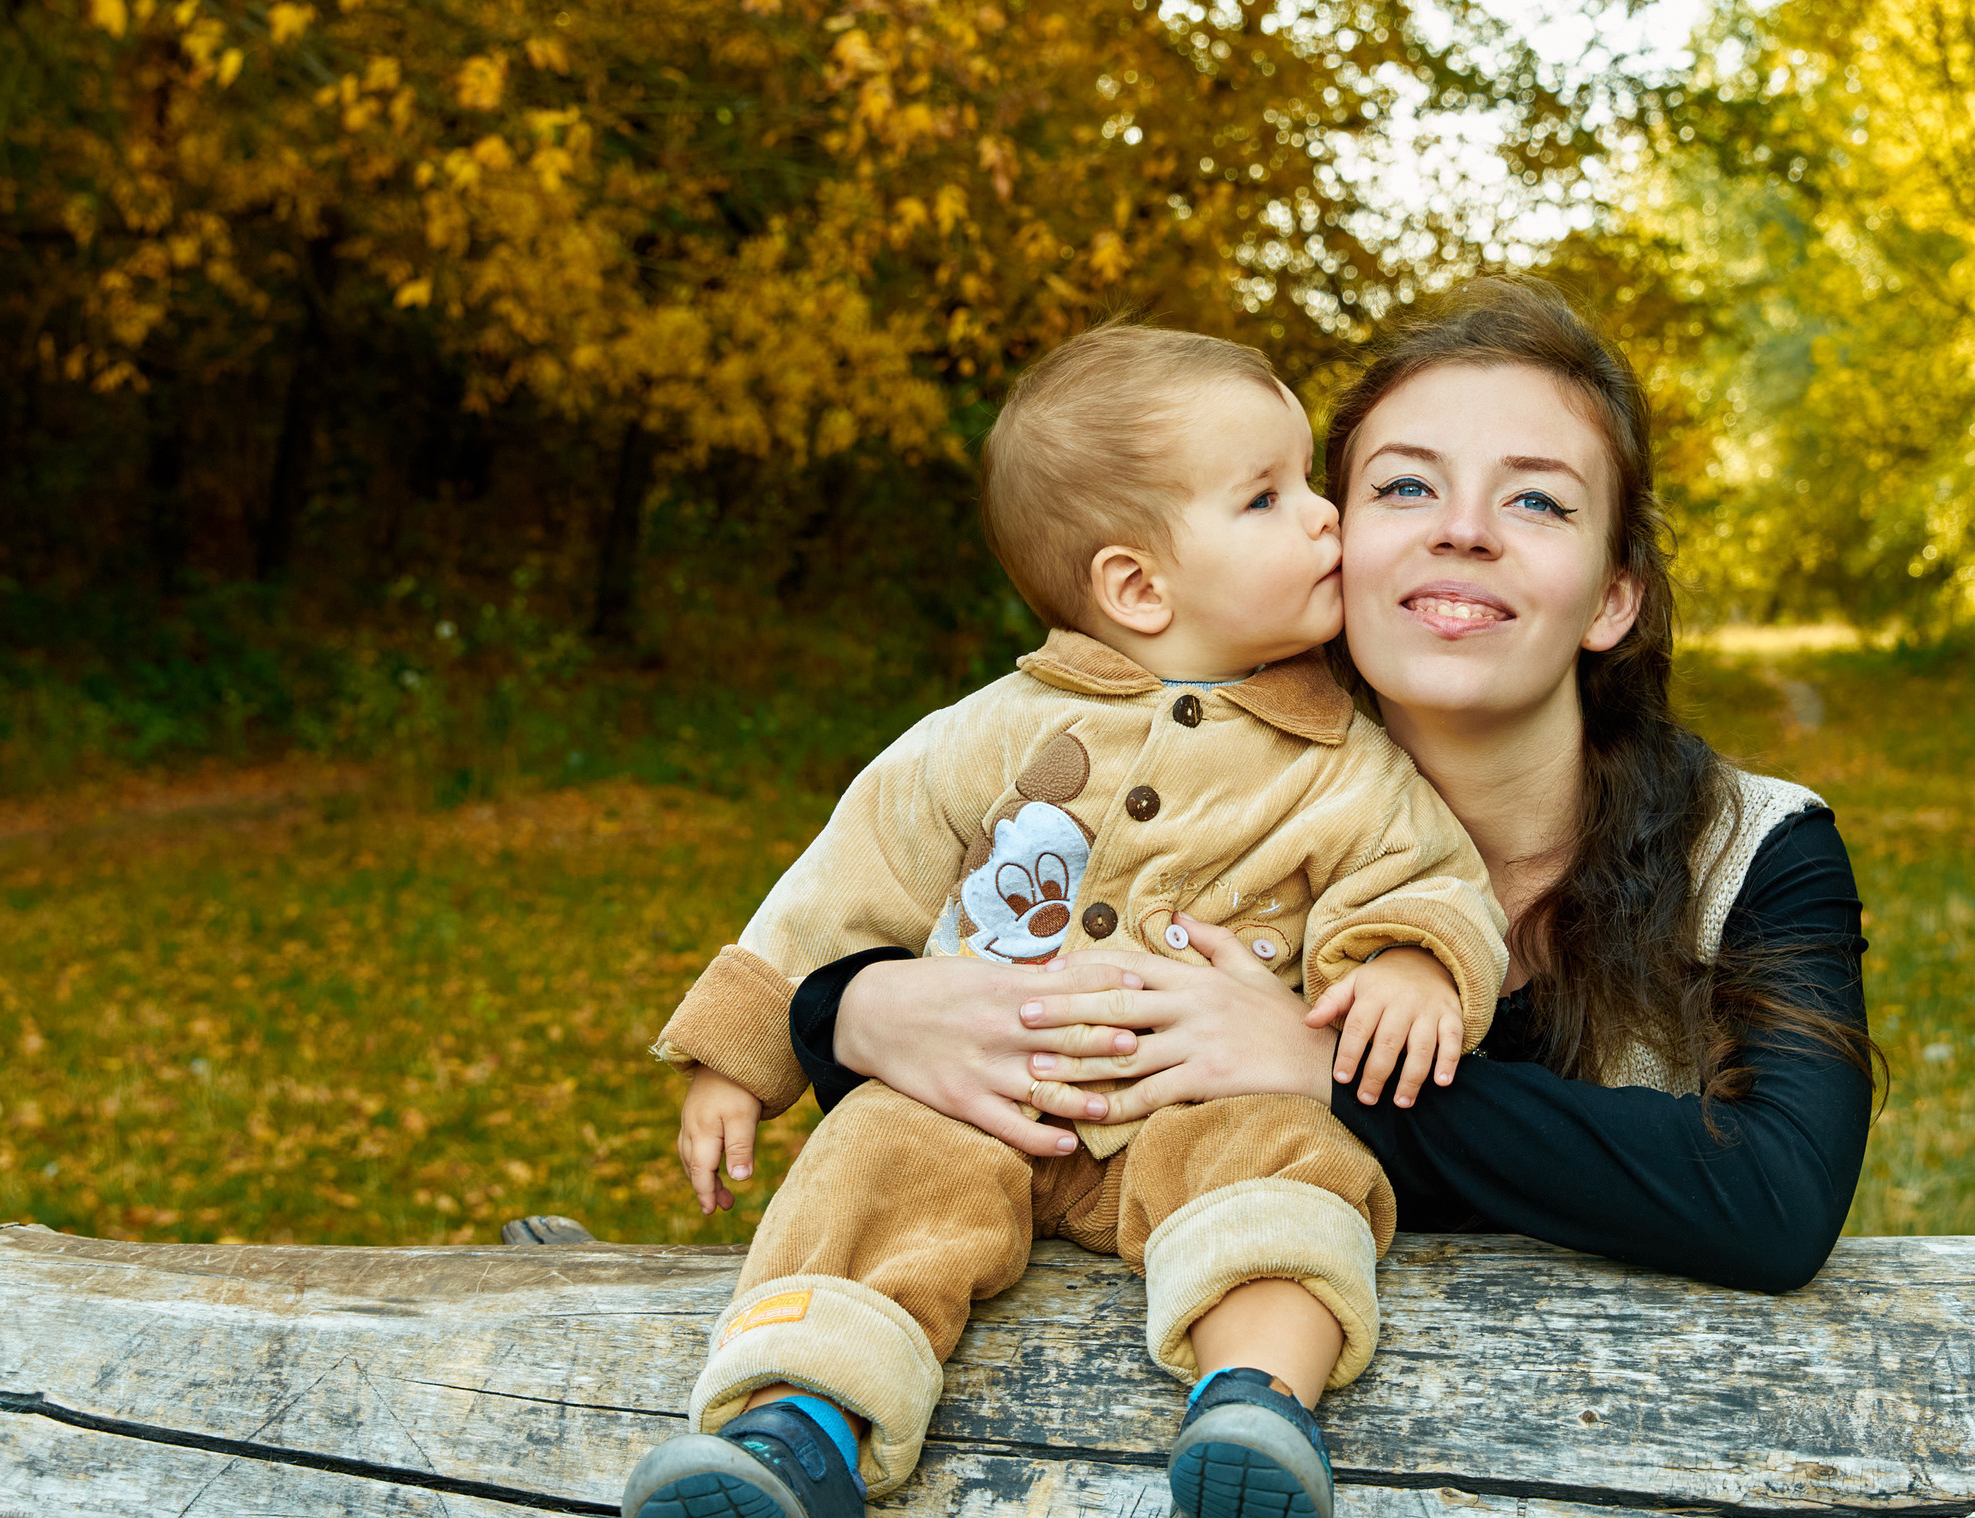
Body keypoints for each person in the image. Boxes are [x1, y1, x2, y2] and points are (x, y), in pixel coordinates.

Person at [793, 276, 1878, 1334]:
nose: (1463, 529)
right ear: (1332, 542)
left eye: (1538, 499)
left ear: (1611, 596)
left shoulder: (1756, 853)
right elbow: (922, 923)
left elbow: (1774, 1200)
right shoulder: (1173, 784)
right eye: (1404, 487)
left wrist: (1324, 1069)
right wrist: (846, 1015)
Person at [620, 324, 1509, 1518]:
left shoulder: (1339, 760)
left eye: (1308, 483)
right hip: (968, 1100)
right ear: (1138, 587)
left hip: (1188, 1109)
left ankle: (1255, 1407)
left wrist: (1415, 967)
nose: (1328, 519)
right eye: (1271, 497)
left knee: (1290, 1160)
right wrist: (736, 1056)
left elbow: (1426, 877)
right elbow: (841, 884)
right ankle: (792, 1437)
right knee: (869, 1165)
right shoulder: (984, 735)